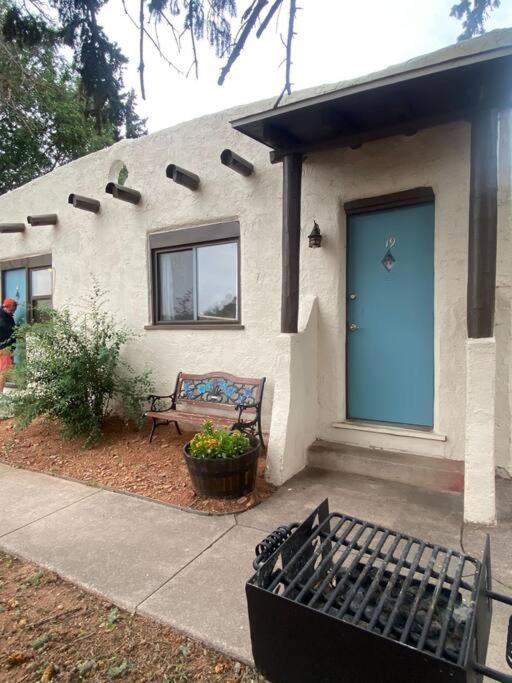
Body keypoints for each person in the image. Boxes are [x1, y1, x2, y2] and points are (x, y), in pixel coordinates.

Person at [0, 298, 17, 392]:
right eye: (12, 310)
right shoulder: (3, 317)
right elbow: (8, 329)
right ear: (6, 307)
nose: (13, 312)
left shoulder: (7, 316)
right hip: (3, 349)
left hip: (6, 348)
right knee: (3, 372)